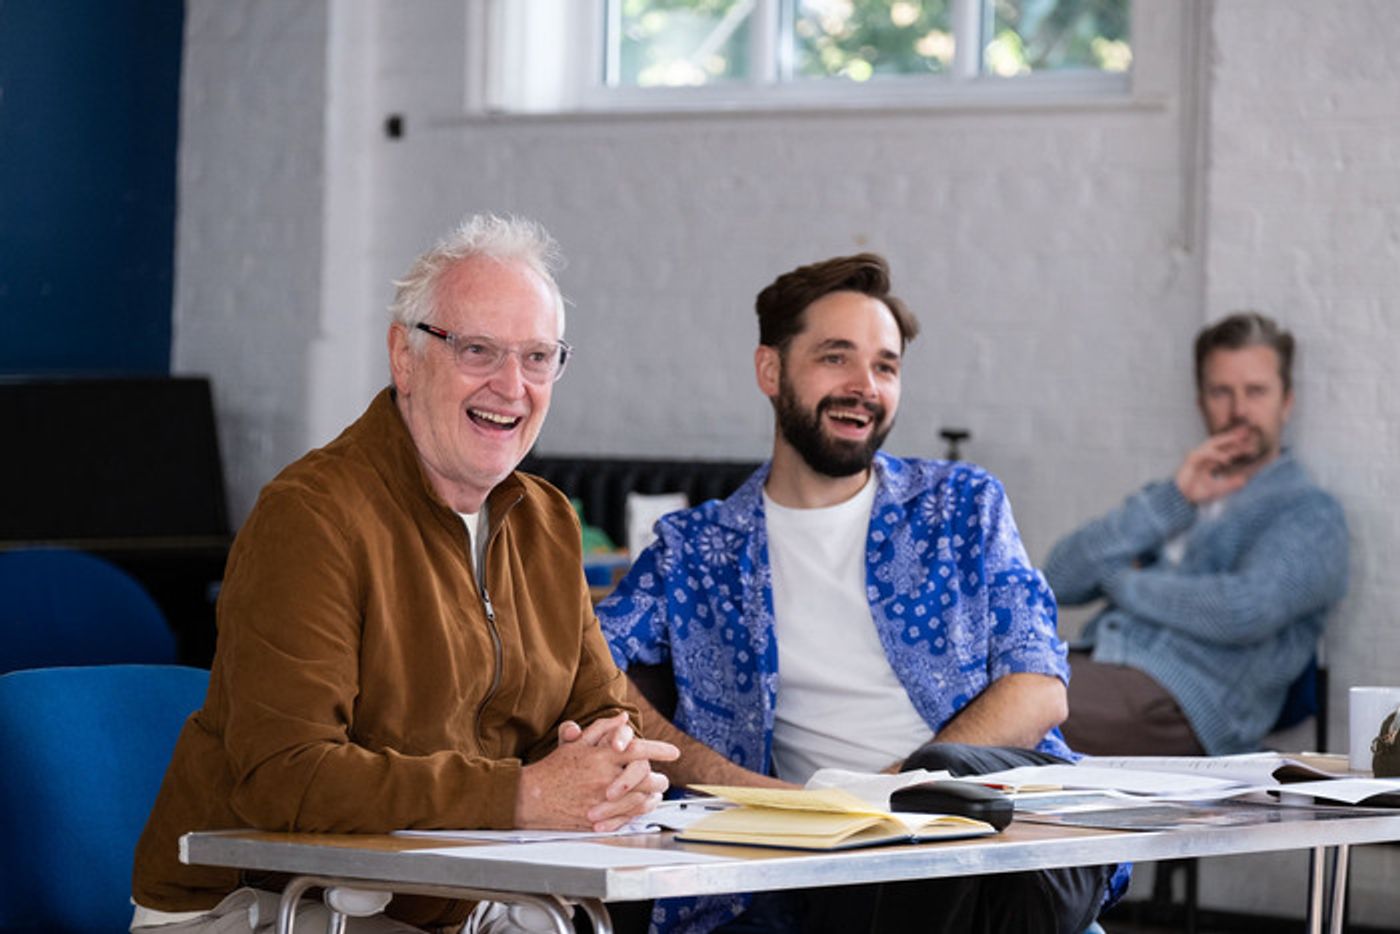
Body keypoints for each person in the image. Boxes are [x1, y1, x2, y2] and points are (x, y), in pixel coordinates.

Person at [131, 214, 677, 933]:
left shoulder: (545, 521)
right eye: (478, 350)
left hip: (449, 899)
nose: (512, 385)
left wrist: (613, 766)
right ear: (405, 356)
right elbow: (285, 777)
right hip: (267, 905)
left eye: (538, 357)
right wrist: (520, 796)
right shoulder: (311, 515)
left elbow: (603, 712)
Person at [597, 253, 1121, 934]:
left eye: (885, 367)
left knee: (958, 796)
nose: (864, 386)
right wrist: (750, 791)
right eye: (836, 358)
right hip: (836, 858)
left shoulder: (962, 506)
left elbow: (1040, 687)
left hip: (997, 825)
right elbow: (588, 665)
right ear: (770, 370)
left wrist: (898, 789)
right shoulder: (696, 552)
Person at [1044, 312, 1348, 757]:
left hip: (1189, 703)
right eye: (1221, 392)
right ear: (1201, 401)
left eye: (1256, 391)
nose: (1238, 410)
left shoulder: (1310, 514)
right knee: (970, 684)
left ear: (1286, 402)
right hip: (1103, 667)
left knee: (1007, 706)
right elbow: (1059, 577)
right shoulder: (1173, 499)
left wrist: (1123, 582)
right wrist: (1174, 497)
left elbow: (1243, 609)